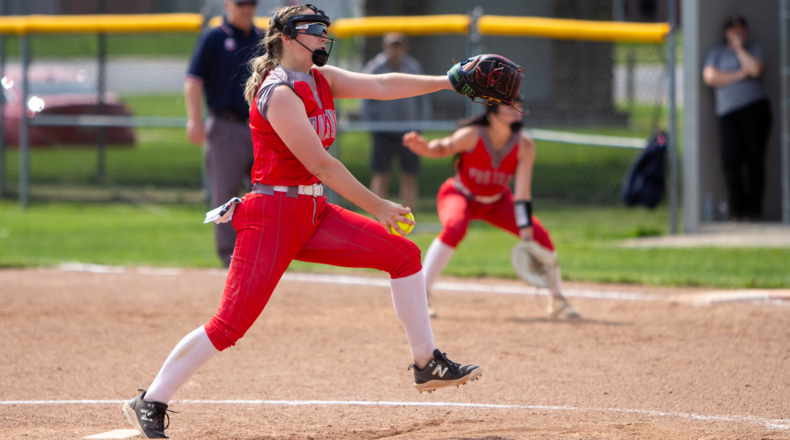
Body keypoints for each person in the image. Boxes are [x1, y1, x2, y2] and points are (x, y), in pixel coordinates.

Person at [122, 5, 482, 438]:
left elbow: (383, 85)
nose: (323, 39)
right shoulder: (278, 93)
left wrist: (449, 81)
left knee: (403, 255)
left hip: (312, 213)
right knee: (229, 325)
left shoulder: (319, 79)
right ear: (288, 38)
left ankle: (427, 364)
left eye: (324, 31)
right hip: (272, 217)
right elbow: (323, 166)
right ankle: (152, 399)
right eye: (314, 31)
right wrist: (378, 206)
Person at [402, 97, 580, 320]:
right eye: (510, 108)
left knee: (540, 236)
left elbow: (522, 195)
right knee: (455, 227)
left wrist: (527, 239)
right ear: (493, 113)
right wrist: (425, 147)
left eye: (519, 107)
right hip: (460, 194)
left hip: (497, 201)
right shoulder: (474, 135)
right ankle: (421, 296)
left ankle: (557, 299)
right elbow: (443, 147)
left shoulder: (524, 145)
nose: (517, 112)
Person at [185, 0, 264, 267]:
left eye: (252, 2)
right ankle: (230, 259)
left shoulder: (262, 39)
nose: (247, 8)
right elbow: (194, 81)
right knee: (226, 197)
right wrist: (194, 120)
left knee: (266, 193)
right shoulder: (214, 37)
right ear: (227, 3)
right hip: (225, 126)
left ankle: (263, 253)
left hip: (260, 129)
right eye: (241, 2)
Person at [703, 13, 772, 221]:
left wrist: (740, 50)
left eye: (741, 30)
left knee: (754, 160)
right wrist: (740, 74)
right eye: (734, 31)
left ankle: (754, 211)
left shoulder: (754, 50)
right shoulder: (717, 53)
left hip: (754, 110)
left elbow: (756, 69)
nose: (738, 34)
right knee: (730, 160)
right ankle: (737, 210)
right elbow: (710, 77)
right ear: (727, 33)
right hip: (728, 113)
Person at [361, 32, 430, 211]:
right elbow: (364, 100)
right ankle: (376, 219)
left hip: (409, 131)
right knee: (381, 176)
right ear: (385, 47)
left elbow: (423, 99)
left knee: (409, 177)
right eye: (392, 45)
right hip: (383, 132)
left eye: (399, 45)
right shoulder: (374, 67)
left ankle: (408, 218)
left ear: (405, 47)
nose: (395, 49)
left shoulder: (413, 67)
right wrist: (372, 126)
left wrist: (420, 125)